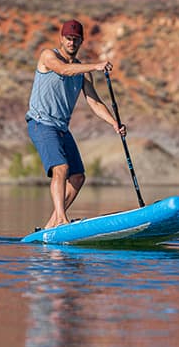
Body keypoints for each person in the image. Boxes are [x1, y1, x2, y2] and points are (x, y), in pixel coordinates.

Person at [25, 19, 126, 230]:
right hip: (41, 124)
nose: (72, 42)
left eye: (76, 39)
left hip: (61, 128)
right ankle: (61, 219)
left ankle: (52, 224)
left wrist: (114, 123)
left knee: (78, 177)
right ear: (61, 39)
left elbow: (94, 102)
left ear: (81, 41)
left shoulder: (82, 70)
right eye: (68, 38)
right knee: (61, 168)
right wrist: (97, 65)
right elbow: (63, 70)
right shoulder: (48, 56)